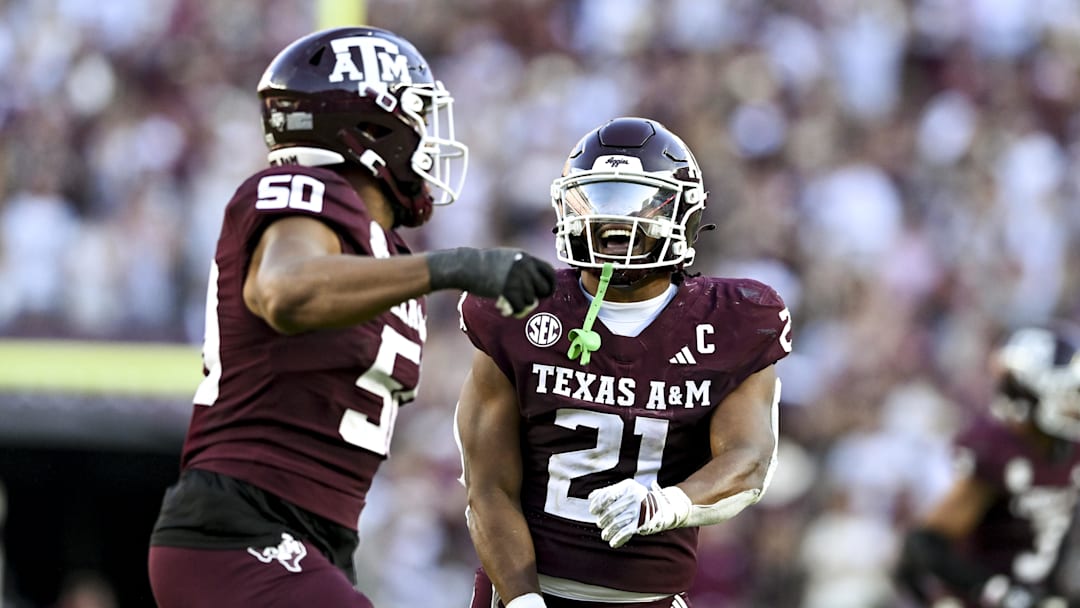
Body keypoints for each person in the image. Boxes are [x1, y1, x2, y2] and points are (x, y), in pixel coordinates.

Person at [146, 26, 555, 608]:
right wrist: (456, 267)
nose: (426, 137)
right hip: (240, 528)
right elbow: (286, 291)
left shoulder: (385, 259)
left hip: (314, 541)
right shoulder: (305, 191)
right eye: (415, 117)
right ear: (369, 129)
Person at [454, 116, 793, 608]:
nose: (614, 222)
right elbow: (486, 489)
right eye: (597, 199)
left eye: (636, 202)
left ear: (684, 214)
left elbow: (749, 461)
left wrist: (666, 504)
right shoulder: (519, 306)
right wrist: (523, 602)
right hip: (528, 590)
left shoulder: (735, 320)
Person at [896, 323, 1080, 608]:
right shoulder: (997, 449)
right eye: (1065, 394)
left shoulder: (1070, 447)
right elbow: (925, 544)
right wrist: (998, 593)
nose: (1074, 405)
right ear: (1027, 394)